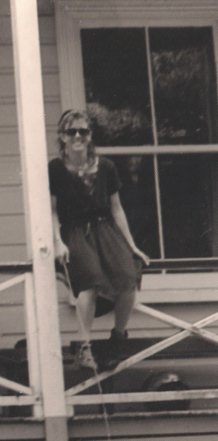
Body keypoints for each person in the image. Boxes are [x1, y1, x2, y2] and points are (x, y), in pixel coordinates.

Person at [49, 110, 151, 371]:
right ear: (62, 136)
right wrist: (57, 242)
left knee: (128, 278)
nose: (78, 136)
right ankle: (83, 348)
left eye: (83, 131)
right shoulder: (56, 169)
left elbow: (116, 209)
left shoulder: (105, 167)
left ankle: (118, 338)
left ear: (90, 135)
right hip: (75, 231)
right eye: (71, 131)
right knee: (90, 283)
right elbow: (51, 211)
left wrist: (131, 245)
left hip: (105, 230)